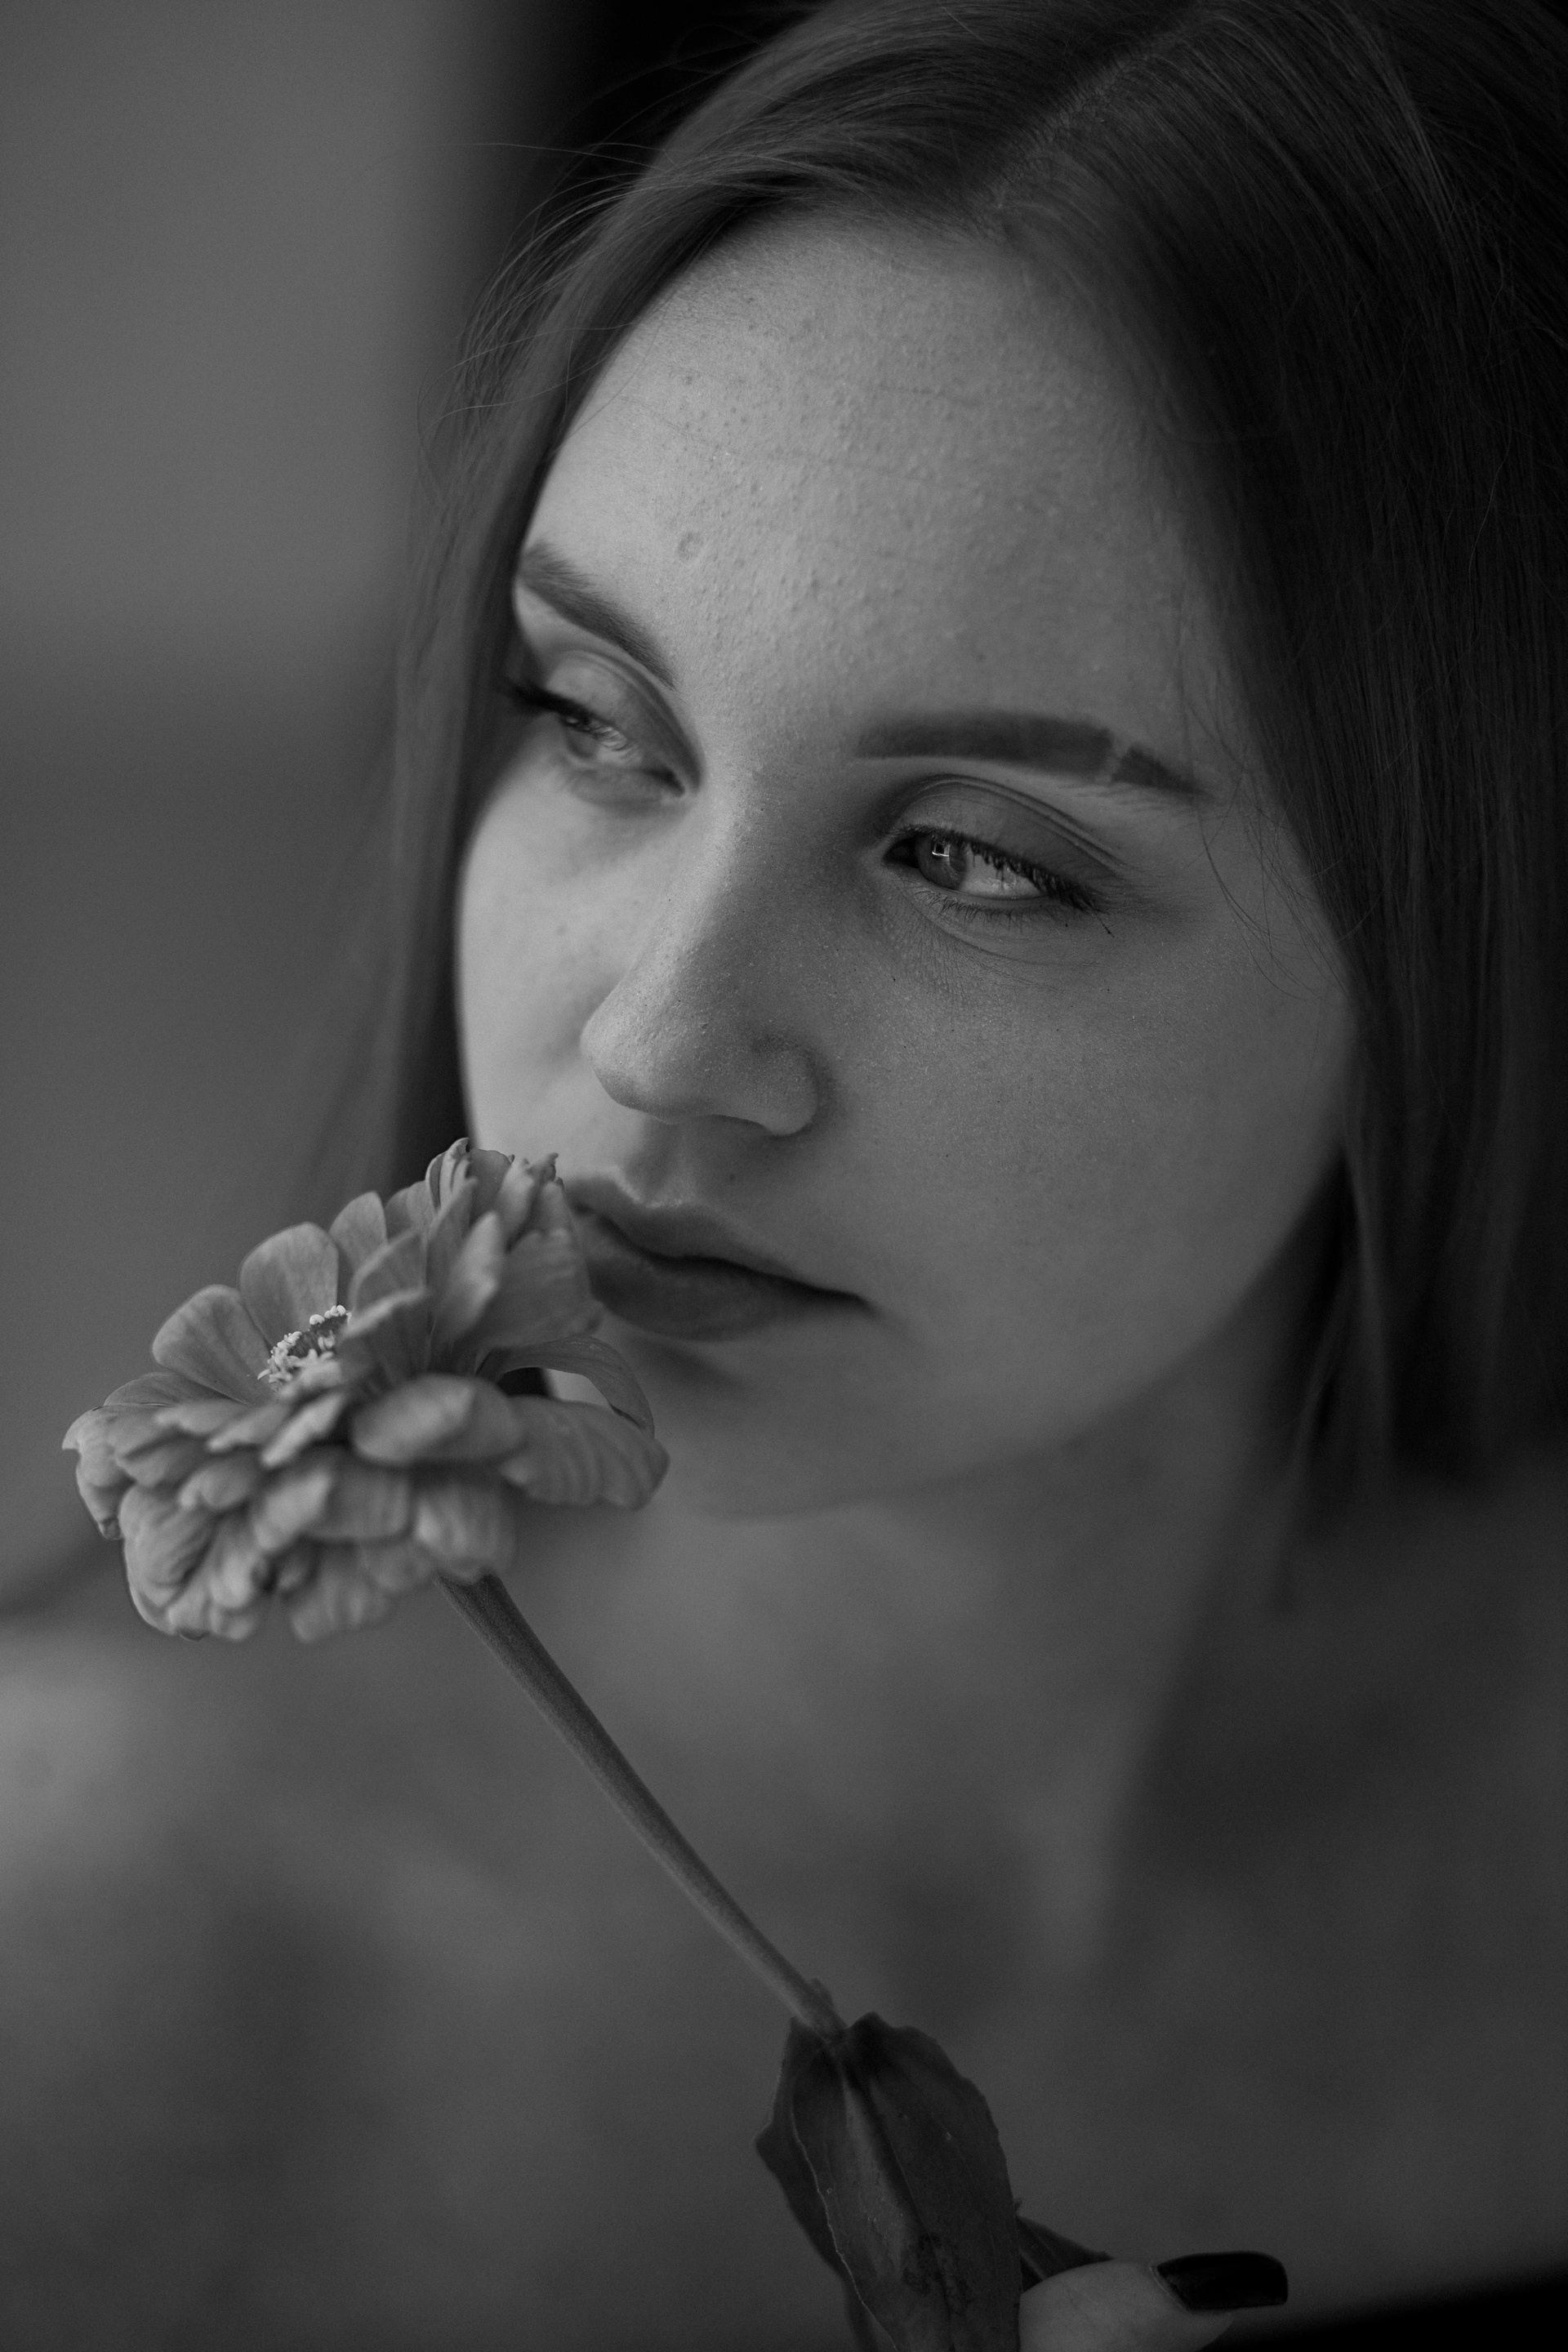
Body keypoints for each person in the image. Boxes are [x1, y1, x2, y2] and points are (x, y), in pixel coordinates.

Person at [7, 1, 1566, 2344]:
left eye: (978, 856)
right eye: (597, 723)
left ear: (1482, 947)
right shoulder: (75, 1976)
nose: (658, 1038)